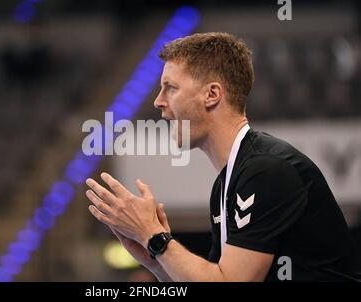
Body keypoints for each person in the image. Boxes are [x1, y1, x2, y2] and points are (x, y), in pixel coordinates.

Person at [85, 32, 361, 281]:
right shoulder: (229, 181)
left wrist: (155, 237)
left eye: (170, 87)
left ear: (212, 94)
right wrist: (155, 260)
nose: (158, 101)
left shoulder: (266, 171)